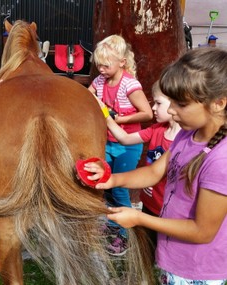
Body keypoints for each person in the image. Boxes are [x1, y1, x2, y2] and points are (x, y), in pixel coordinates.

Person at [86, 47, 227, 284]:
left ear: (218, 103)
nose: (171, 111)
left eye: (180, 104)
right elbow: (155, 171)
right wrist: (112, 179)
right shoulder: (188, 134)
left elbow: (203, 231)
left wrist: (139, 219)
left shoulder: (220, 161)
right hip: (174, 257)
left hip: (196, 268)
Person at [88, 34, 152, 255]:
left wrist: (119, 119)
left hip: (127, 146)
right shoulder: (99, 82)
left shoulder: (130, 85)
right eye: (99, 66)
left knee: (120, 189)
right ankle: (113, 223)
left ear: (122, 62)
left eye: (106, 66)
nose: (102, 70)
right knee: (105, 185)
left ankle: (125, 235)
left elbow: (147, 113)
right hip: (107, 142)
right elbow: (88, 98)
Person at [101, 81, 181, 249]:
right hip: (149, 204)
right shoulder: (156, 129)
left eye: (158, 103)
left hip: (170, 211)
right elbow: (125, 138)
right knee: (147, 250)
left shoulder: (185, 141)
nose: (152, 108)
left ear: (176, 103)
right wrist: (105, 115)